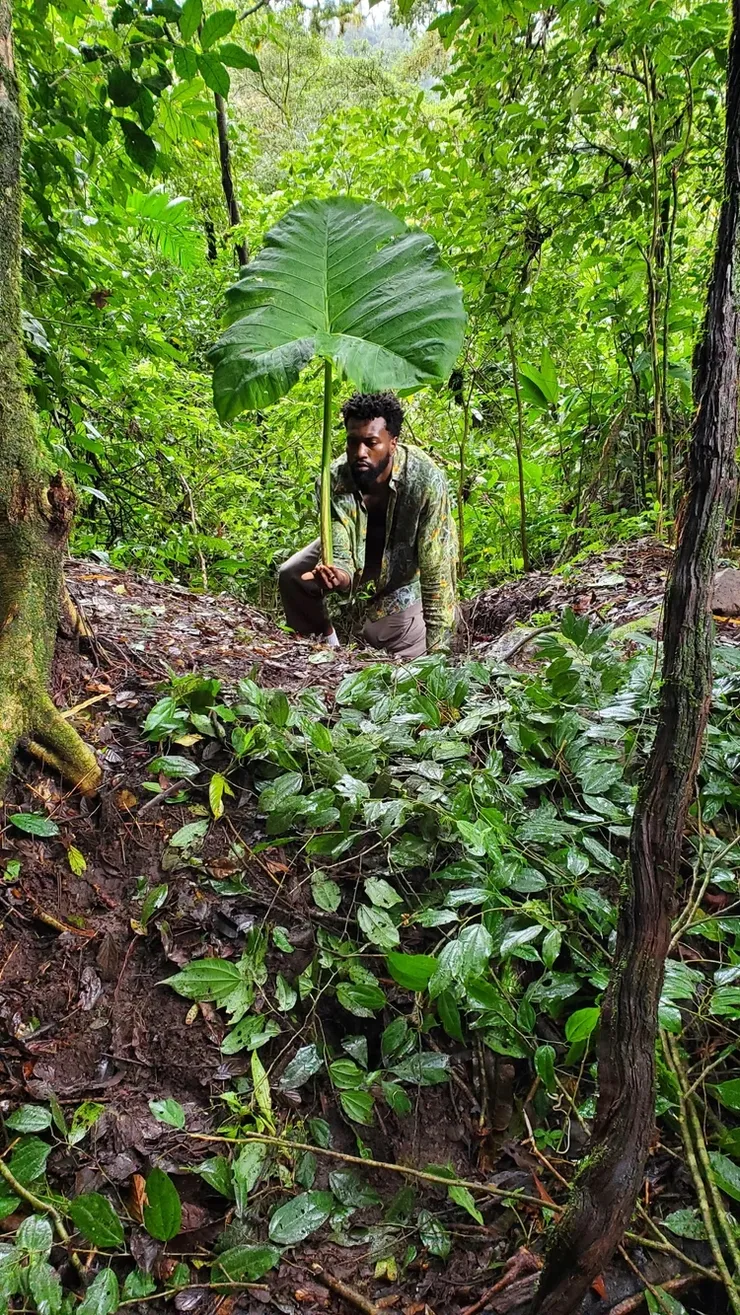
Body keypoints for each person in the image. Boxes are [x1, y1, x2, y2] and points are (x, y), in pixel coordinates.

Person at [278, 391, 457, 659]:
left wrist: (439, 651)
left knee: (383, 633)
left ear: (393, 443)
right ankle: (326, 647)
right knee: (291, 574)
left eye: (371, 443)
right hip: (361, 548)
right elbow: (340, 547)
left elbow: (435, 570)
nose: (360, 453)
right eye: (353, 442)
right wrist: (339, 574)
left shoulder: (425, 478)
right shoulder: (334, 479)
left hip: (408, 561)